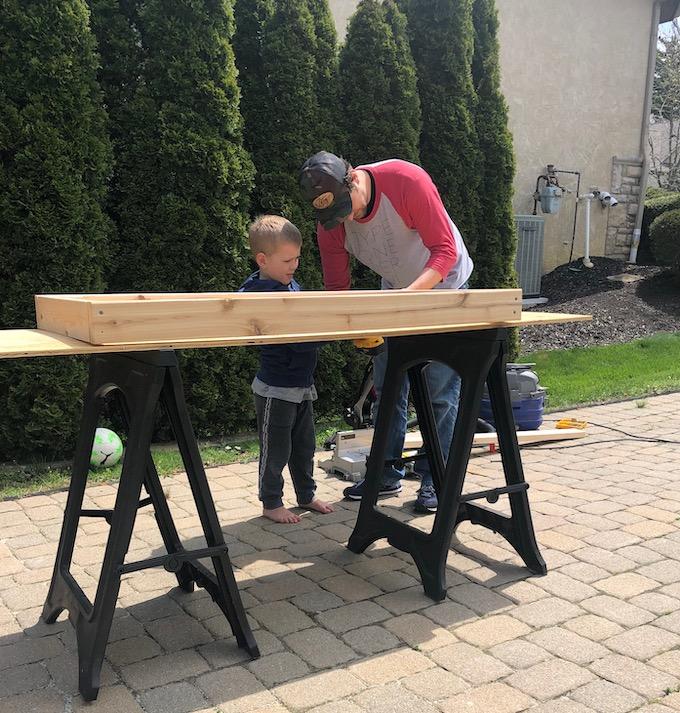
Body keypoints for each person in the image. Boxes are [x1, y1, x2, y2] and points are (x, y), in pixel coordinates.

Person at [299, 151, 473, 513]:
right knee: (389, 390)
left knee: (440, 394)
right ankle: (385, 475)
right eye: (332, 217)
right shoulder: (330, 223)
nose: (343, 220)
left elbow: (445, 252)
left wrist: (406, 300)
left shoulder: (406, 181)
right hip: (396, 290)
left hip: (445, 288)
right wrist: (353, 326)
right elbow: (337, 289)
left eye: (345, 210)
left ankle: (436, 480)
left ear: (355, 182)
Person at [239, 215, 334, 524]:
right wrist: (330, 331)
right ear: (263, 260)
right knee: (276, 450)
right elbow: (298, 341)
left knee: (304, 447)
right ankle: (271, 502)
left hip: (302, 386)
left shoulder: (287, 284)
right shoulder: (259, 294)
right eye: (288, 260)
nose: (294, 265)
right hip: (276, 389)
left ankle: (305, 495)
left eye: (297, 258)